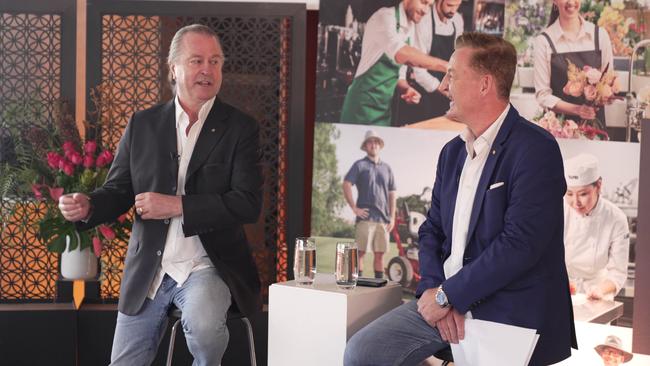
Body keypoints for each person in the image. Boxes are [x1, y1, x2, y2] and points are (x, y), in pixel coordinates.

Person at [344, 32, 576, 366]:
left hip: (506, 310)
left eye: (452, 75)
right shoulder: (452, 153)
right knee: (363, 352)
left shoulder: (536, 149)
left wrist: (450, 295)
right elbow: (431, 230)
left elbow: (520, 244)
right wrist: (435, 291)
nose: (443, 86)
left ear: (484, 85)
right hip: (447, 300)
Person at [57, 24, 263, 365]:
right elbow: (119, 190)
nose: (207, 70)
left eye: (215, 61)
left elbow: (248, 203)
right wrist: (89, 205)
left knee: (205, 326)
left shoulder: (241, 128)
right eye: (197, 60)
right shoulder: (143, 124)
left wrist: (178, 205)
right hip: (149, 269)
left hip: (207, 265)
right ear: (174, 69)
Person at [339, 0, 449, 126]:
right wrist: (447, 66)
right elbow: (401, 54)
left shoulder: (410, 27)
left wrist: (406, 89)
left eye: (429, 5)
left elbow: (399, 75)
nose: (426, 10)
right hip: (360, 109)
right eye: (423, 2)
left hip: (383, 111)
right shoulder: (384, 17)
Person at [533, 0, 614, 125]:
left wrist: (607, 96)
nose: (571, 2)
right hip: (559, 128)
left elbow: (609, 82)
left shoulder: (600, 35)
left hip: (595, 129)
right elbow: (543, 95)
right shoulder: (543, 42)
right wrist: (577, 110)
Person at [563, 153, 630, 300]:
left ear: (598, 186)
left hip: (597, 292)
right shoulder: (557, 210)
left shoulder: (616, 218)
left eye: (583, 194)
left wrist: (600, 290)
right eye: (569, 194)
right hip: (560, 287)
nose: (576, 202)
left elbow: (618, 272)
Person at [394, 0, 464, 125]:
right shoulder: (423, 21)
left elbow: (457, 57)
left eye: (457, 6)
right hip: (424, 91)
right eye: (449, 5)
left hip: (447, 89)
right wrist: (441, 88)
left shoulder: (457, 20)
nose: (453, 10)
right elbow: (417, 66)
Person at [343, 130, 396, 279]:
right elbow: (346, 184)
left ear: (380, 146)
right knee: (360, 254)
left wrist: (392, 217)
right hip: (365, 218)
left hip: (383, 221)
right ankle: (358, 286)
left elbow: (392, 194)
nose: (373, 144)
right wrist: (354, 208)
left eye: (376, 142)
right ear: (365, 146)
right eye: (370, 142)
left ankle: (378, 287)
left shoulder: (387, 168)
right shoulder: (359, 165)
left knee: (380, 255)